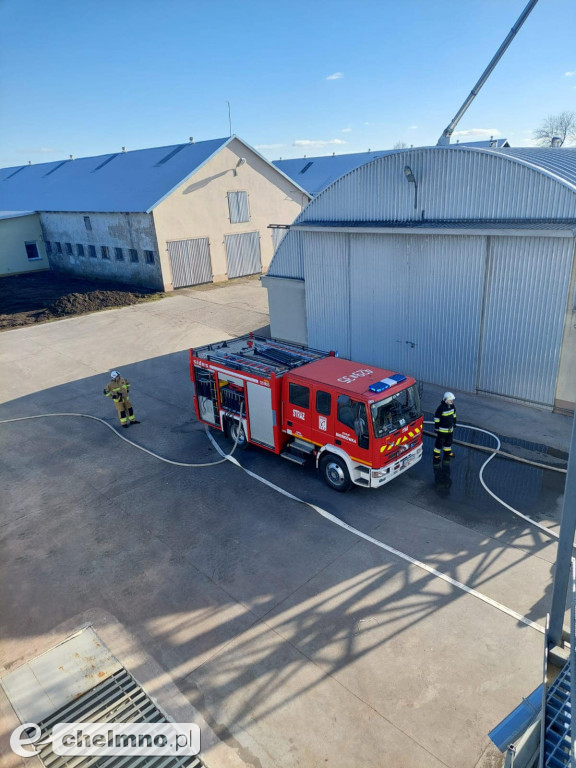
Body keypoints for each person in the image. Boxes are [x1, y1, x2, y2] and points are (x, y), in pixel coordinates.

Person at [433, 392, 456, 462]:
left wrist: (454, 422)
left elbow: (454, 415)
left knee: (449, 442)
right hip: (442, 430)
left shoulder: (452, 406)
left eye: (452, 400)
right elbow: (436, 418)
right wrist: (436, 428)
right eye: (451, 400)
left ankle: (447, 453)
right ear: (446, 400)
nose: (452, 401)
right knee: (439, 442)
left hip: (450, 430)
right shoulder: (441, 408)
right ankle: (436, 455)